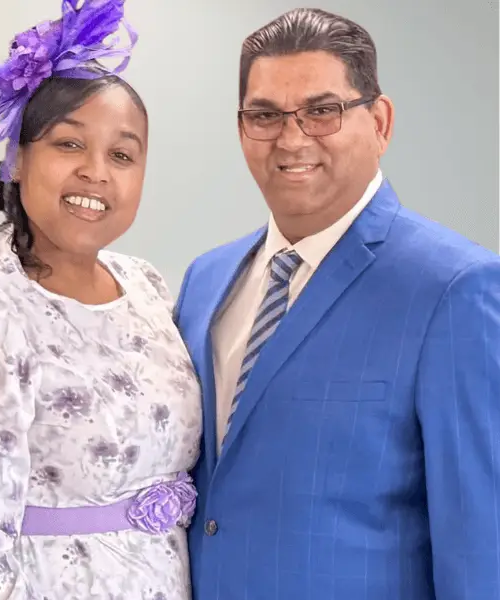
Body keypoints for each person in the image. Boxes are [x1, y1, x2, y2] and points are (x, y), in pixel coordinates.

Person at [174, 7, 500, 600]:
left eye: (322, 110)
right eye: (265, 115)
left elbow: (481, 545)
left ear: (380, 121)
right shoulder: (205, 281)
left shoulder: (454, 288)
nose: (291, 138)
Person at [0, 1, 201, 598]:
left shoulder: (145, 286)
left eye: (122, 154)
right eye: (69, 144)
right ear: (17, 159)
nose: (97, 172)